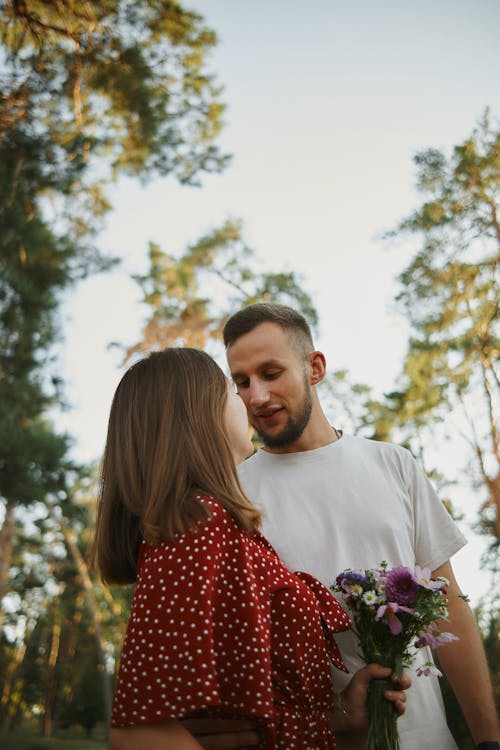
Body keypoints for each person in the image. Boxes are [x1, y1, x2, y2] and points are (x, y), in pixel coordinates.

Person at [91, 347, 409, 750]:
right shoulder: (199, 525)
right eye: (231, 388)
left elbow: (257, 717)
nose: (246, 401)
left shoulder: (223, 528)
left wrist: (340, 718)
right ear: (199, 415)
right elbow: (138, 732)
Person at [222, 302, 500, 750]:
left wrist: (489, 739)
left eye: (271, 373)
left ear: (315, 368)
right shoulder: (233, 496)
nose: (256, 396)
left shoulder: (394, 464)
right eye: (242, 381)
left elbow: (449, 605)